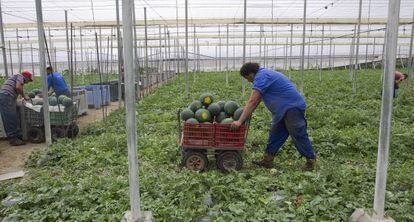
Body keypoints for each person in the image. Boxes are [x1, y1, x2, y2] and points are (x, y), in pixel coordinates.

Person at [231, 62, 317, 171]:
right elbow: (256, 101)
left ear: (250, 74)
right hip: (282, 109)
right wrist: (245, 116)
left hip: (292, 107)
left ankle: (311, 161)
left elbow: (252, 101)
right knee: (276, 133)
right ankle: (267, 160)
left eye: (247, 78)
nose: (248, 81)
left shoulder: (261, 77)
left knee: (298, 133)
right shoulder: (264, 74)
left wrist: (239, 121)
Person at [0, 70, 33, 146]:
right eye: (29, 80)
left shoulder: (16, 77)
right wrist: (24, 96)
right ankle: (13, 139)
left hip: (5, 96)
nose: (28, 82)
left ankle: (16, 136)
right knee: (10, 117)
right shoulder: (20, 76)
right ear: (26, 76)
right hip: (7, 96)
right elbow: (18, 87)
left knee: (11, 116)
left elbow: (16, 88)